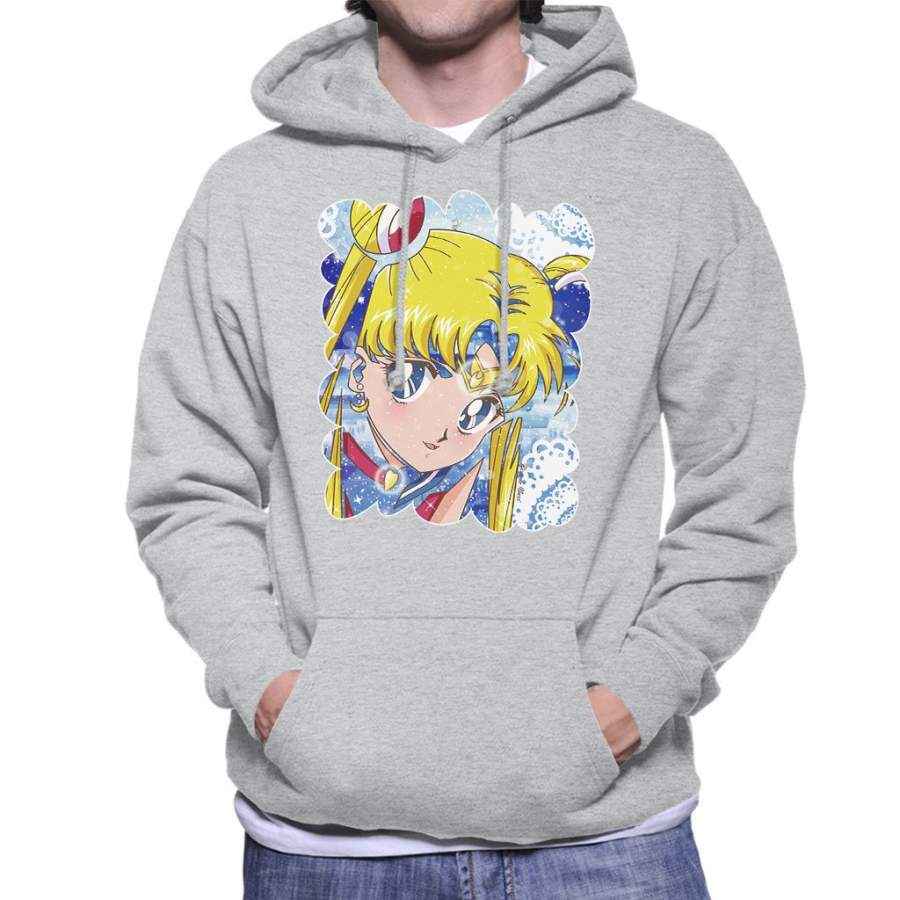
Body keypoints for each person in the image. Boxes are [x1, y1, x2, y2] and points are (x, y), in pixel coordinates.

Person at [126, 1, 804, 897]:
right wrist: (275, 693)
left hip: (607, 846)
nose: (448, 422)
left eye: (482, 402)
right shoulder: (251, 191)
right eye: (411, 378)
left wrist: (632, 700)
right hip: (326, 849)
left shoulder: (676, 177)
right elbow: (187, 484)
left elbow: (742, 492)